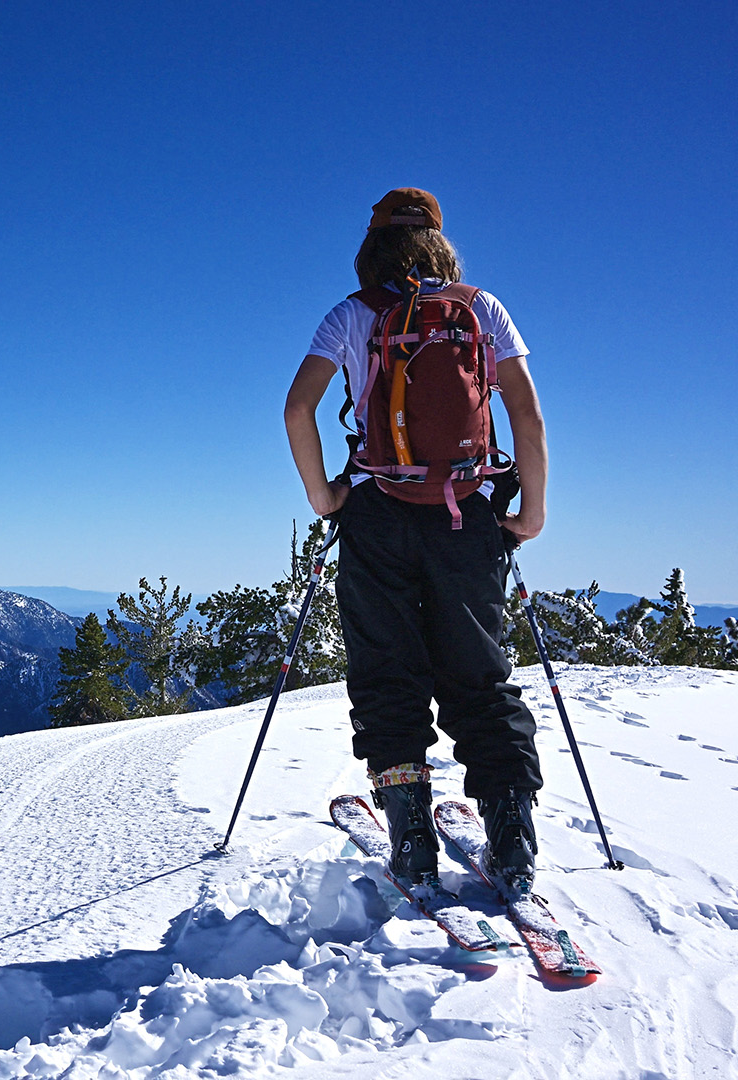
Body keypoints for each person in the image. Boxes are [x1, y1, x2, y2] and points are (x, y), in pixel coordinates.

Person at [283, 188, 548, 895]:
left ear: (372, 245)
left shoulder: (352, 314)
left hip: (378, 515)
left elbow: (297, 407)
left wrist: (325, 497)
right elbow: (524, 410)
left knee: (387, 678)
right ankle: (512, 838)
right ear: (439, 240)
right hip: (468, 515)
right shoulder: (480, 308)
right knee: (481, 679)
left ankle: (411, 840)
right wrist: (531, 511)